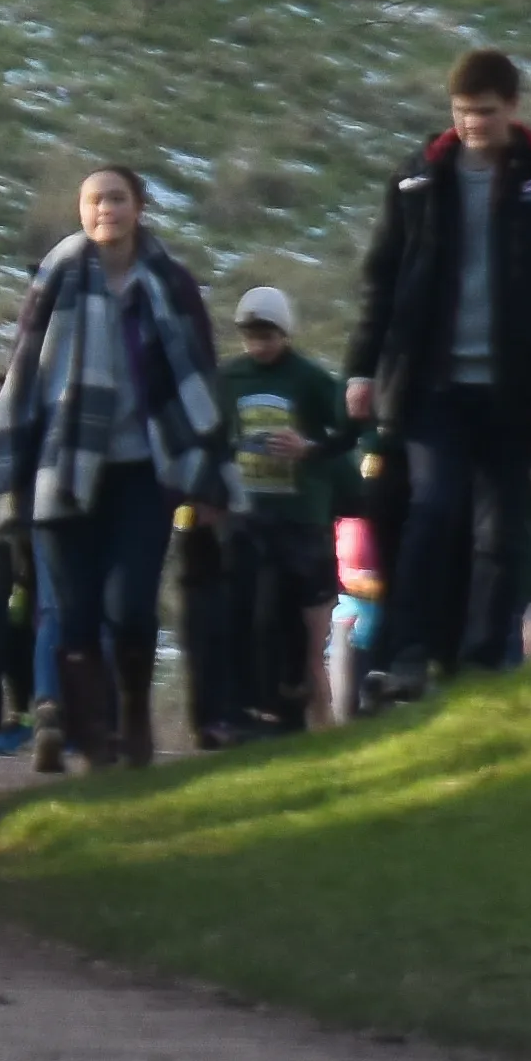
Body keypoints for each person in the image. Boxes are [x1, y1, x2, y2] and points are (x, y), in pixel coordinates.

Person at [343, 48, 531, 685]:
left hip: (513, 389)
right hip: (433, 383)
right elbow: (382, 281)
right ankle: (406, 654)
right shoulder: (417, 179)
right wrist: (362, 369)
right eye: (462, 112)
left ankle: (482, 658)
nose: (472, 125)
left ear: (513, 107)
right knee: (430, 509)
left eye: (485, 112)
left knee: (499, 525)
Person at [0, 169, 226, 773]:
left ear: (139, 208)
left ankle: (132, 718)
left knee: (130, 606)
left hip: (141, 471)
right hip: (62, 468)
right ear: (81, 210)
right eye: (95, 200)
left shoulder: (170, 282)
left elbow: (200, 374)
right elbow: (23, 375)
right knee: (72, 614)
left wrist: (207, 475)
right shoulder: (55, 279)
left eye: (118, 199)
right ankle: (93, 740)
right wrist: (12, 473)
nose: (107, 209)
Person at [212, 286, 346, 743]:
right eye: (251, 334)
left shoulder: (307, 377)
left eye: (268, 334)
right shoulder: (230, 378)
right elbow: (210, 431)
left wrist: (311, 448)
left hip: (302, 519)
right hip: (249, 516)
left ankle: (299, 709)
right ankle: (257, 708)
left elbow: (349, 425)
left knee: (298, 621)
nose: (259, 343)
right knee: (253, 612)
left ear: (285, 332)